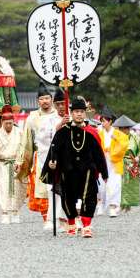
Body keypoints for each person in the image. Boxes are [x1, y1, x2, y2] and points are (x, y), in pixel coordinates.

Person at [42, 98, 108, 238]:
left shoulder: (92, 132)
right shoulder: (62, 132)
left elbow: (99, 154)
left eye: (82, 112)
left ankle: (86, 225)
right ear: (71, 113)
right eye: (76, 111)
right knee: (68, 197)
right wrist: (52, 163)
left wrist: (104, 172)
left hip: (88, 170)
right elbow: (54, 150)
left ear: (85, 113)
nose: (79, 114)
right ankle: (71, 222)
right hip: (68, 170)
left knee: (89, 197)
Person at [15, 83, 65, 230]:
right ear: (38, 101)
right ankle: (47, 219)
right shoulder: (32, 117)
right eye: (42, 99)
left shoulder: (59, 115)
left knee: (59, 188)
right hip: (41, 157)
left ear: (51, 100)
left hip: (59, 156)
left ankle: (60, 219)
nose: (45, 101)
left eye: (47, 98)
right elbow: (26, 141)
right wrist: (21, 160)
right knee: (43, 188)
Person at [0, 106, 27, 224]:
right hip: (2, 164)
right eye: (6, 123)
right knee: (3, 188)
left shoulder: (20, 132)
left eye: (10, 123)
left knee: (17, 189)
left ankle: (15, 212)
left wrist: (22, 163)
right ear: (2, 122)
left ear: (13, 121)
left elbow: (24, 149)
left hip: (17, 164)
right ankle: (5, 212)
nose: (8, 125)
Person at [97, 106, 128, 218]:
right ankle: (100, 203)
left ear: (110, 121)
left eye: (104, 121)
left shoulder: (118, 134)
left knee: (114, 184)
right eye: (101, 121)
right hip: (102, 160)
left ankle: (113, 207)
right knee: (101, 184)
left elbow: (124, 144)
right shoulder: (99, 132)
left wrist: (116, 140)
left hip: (114, 161)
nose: (102, 123)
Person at [114, 115, 140, 213]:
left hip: (132, 163)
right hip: (119, 163)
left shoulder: (135, 138)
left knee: (129, 186)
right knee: (119, 184)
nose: (124, 130)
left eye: (126, 128)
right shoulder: (115, 138)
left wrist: (138, 157)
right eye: (121, 128)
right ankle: (119, 204)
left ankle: (127, 205)